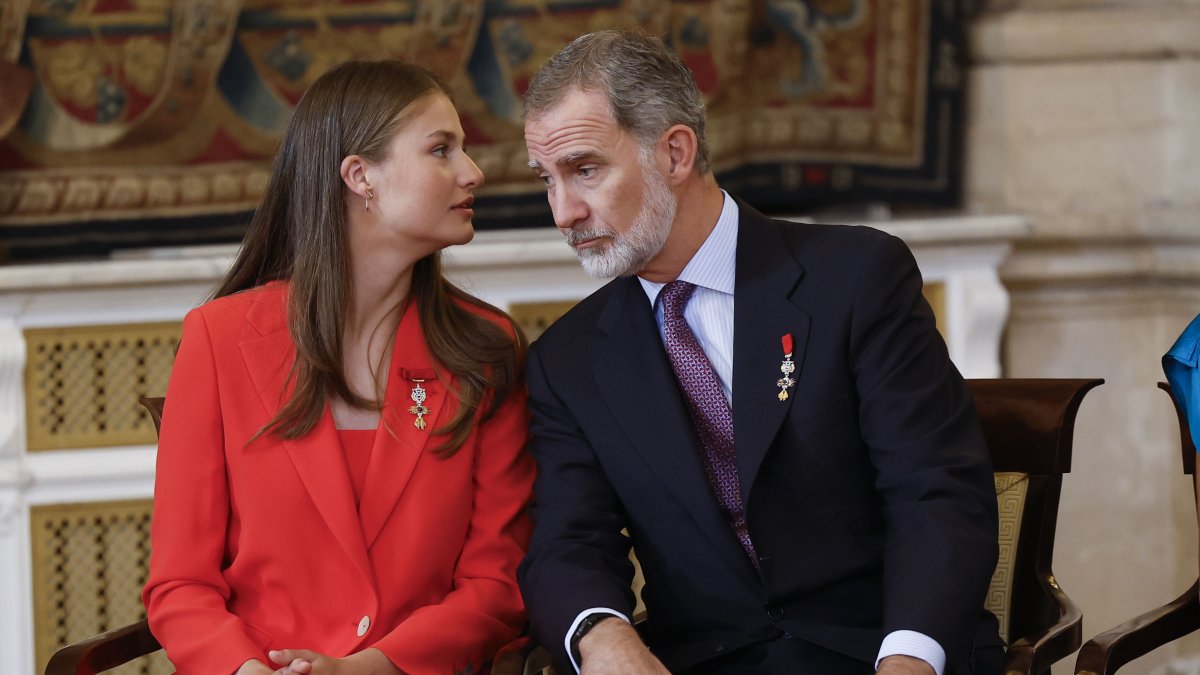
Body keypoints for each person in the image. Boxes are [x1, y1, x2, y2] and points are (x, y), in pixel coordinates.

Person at [516, 30, 1003, 675]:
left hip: (876, 649)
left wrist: (910, 659)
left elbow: (936, 493)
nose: (563, 213)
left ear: (675, 153)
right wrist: (606, 642)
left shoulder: (855, 278)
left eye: (584, 170)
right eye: (546, 179)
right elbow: (567, 543)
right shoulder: (567, 361)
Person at [142, 60, 535, 675]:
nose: (472, 172)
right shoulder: (218, 339)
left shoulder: (487, 349)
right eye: (441, 149)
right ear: (360, 177)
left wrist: (368, 668)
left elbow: (497, 584)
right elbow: (181, 585)